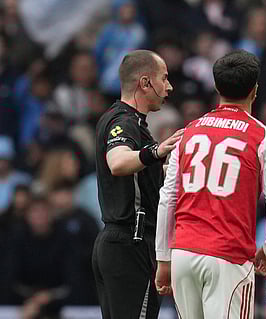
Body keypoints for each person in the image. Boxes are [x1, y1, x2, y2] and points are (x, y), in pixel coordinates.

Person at [154, 49, 266, 319]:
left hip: (184, 253)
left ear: (216, 87)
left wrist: (164, 258)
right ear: (255, 90)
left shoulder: (188, 132)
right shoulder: (263, 137)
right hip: (229, 256)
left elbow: (167, 198)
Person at [91, 49, 183, 319]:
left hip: (118, 242)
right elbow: (118, 162)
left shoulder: (126, 121)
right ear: (145, 83)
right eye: (164, 78)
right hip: (130, 243)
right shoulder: (124, 122)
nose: (169, 87)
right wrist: (156, 151)